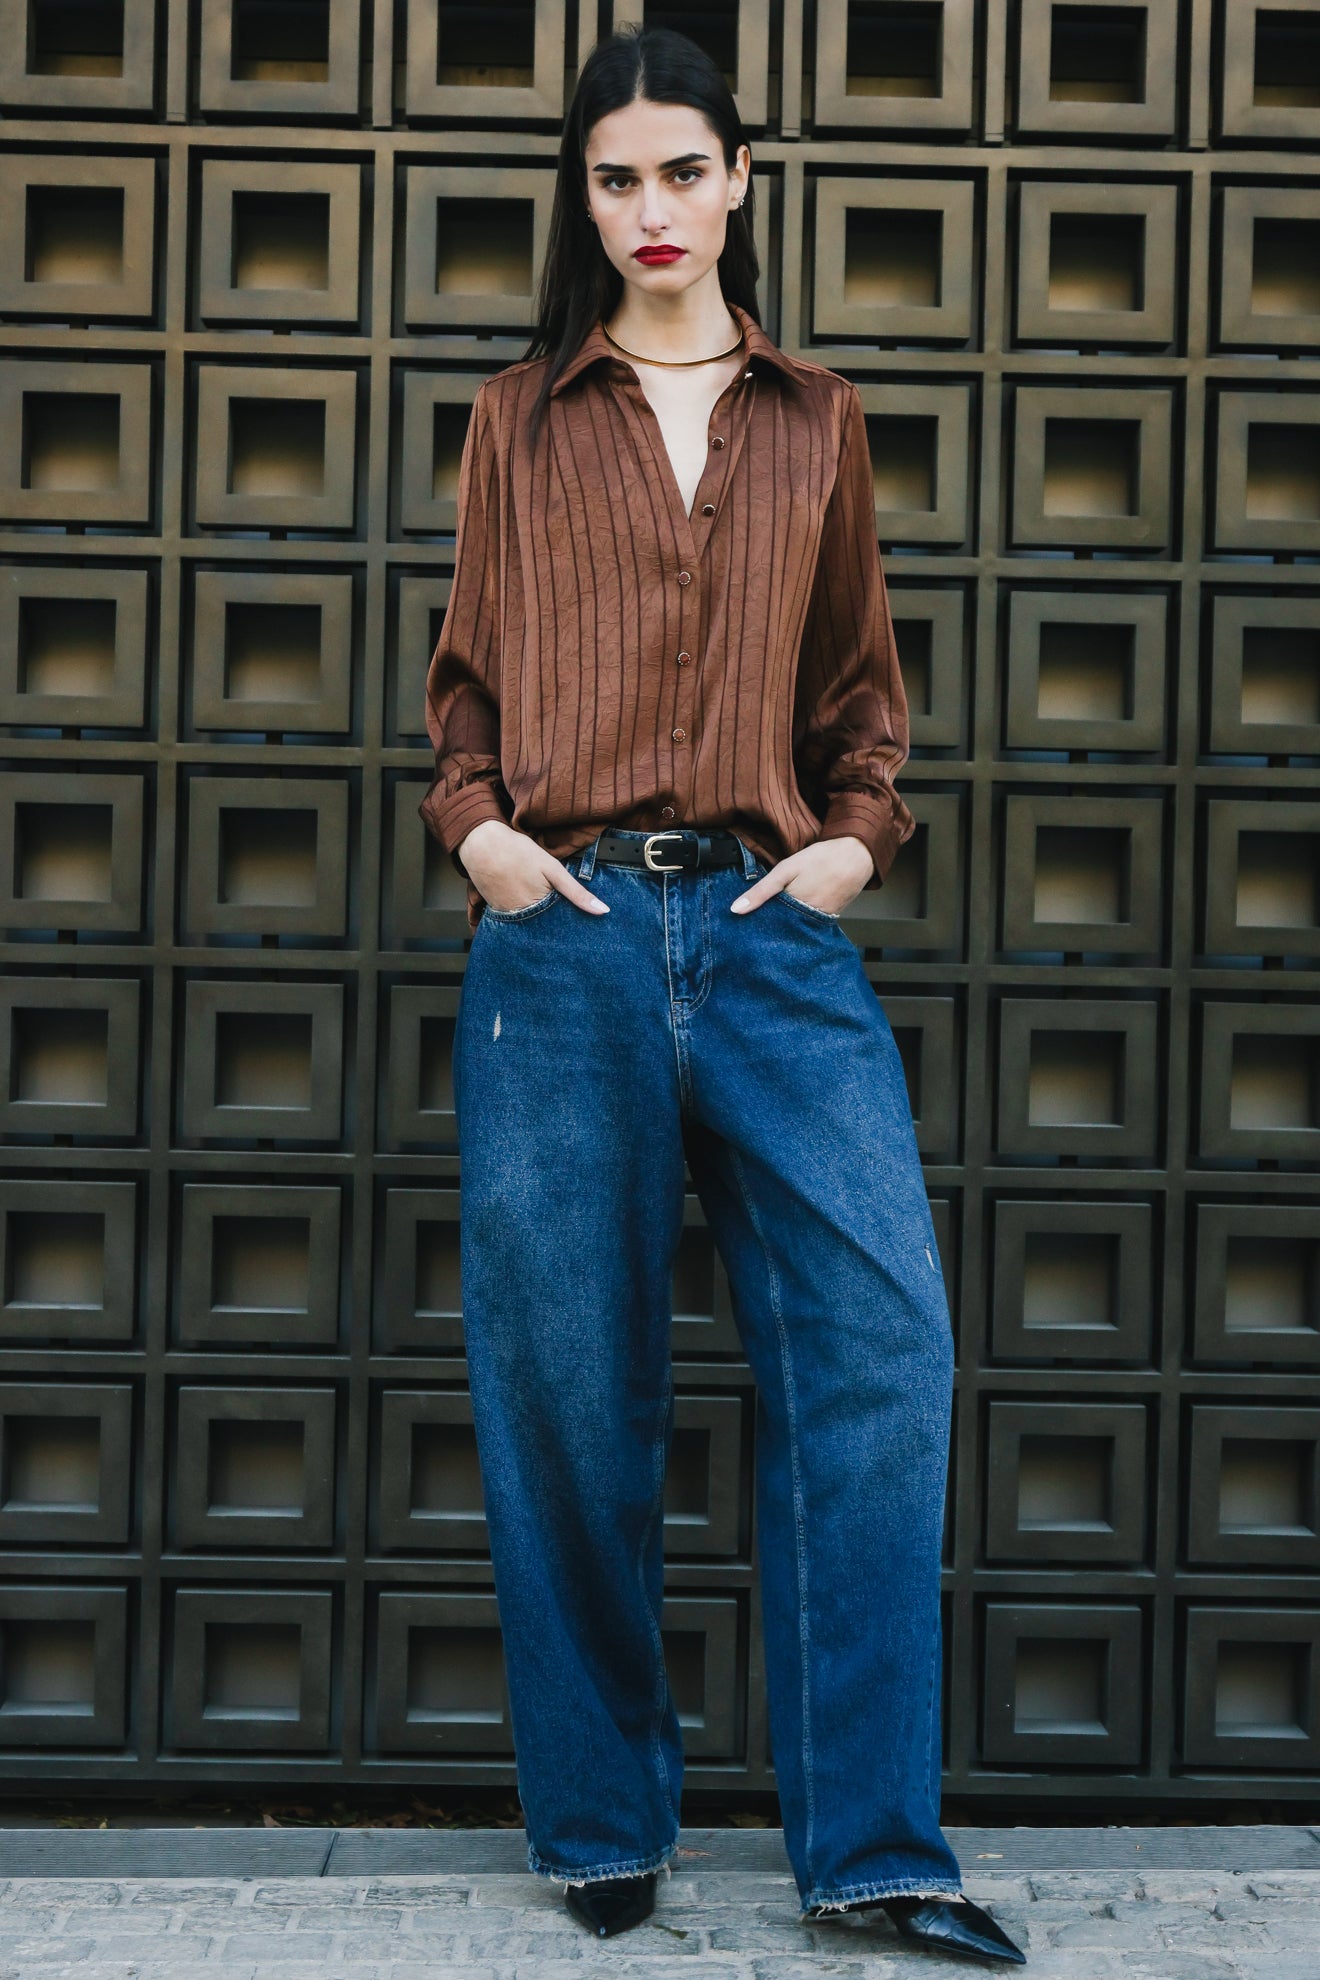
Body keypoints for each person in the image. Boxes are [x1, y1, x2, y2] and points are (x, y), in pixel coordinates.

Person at [418, 22, 1024, 1969]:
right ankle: (604, 1823)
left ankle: (877, 1853)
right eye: (616, 177)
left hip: (770, 939)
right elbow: (462, 689)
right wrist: (484, 837)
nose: (652, 209)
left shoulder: (816, 419)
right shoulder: (517, 417)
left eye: (685, 169)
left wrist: (853, 842)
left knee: (880, 1357)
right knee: (566, 1393)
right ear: (582, 197)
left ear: (742, 178)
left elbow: (858, 692)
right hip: (566, 934)